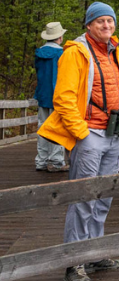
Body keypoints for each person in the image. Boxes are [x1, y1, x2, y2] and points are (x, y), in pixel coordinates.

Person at [38, 2, 119, 281]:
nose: (106, 25)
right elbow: (64, 98)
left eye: (110, 20)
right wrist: (81, 133)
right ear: (88, 25)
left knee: (103, 196)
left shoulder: (114, 50)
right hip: (91, 134)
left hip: (114, 133)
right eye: (100, 21)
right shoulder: (75, 53)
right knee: (83, 198)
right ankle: (74, 262)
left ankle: (94, 253)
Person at [34, 21, 68, 172]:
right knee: (57, 128)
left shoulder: (39, 53)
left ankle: (41, 161)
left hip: (42, 94)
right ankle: (55, 161)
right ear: (59, 37)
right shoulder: (62, 53)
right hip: (57, 95)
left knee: (42, 127)